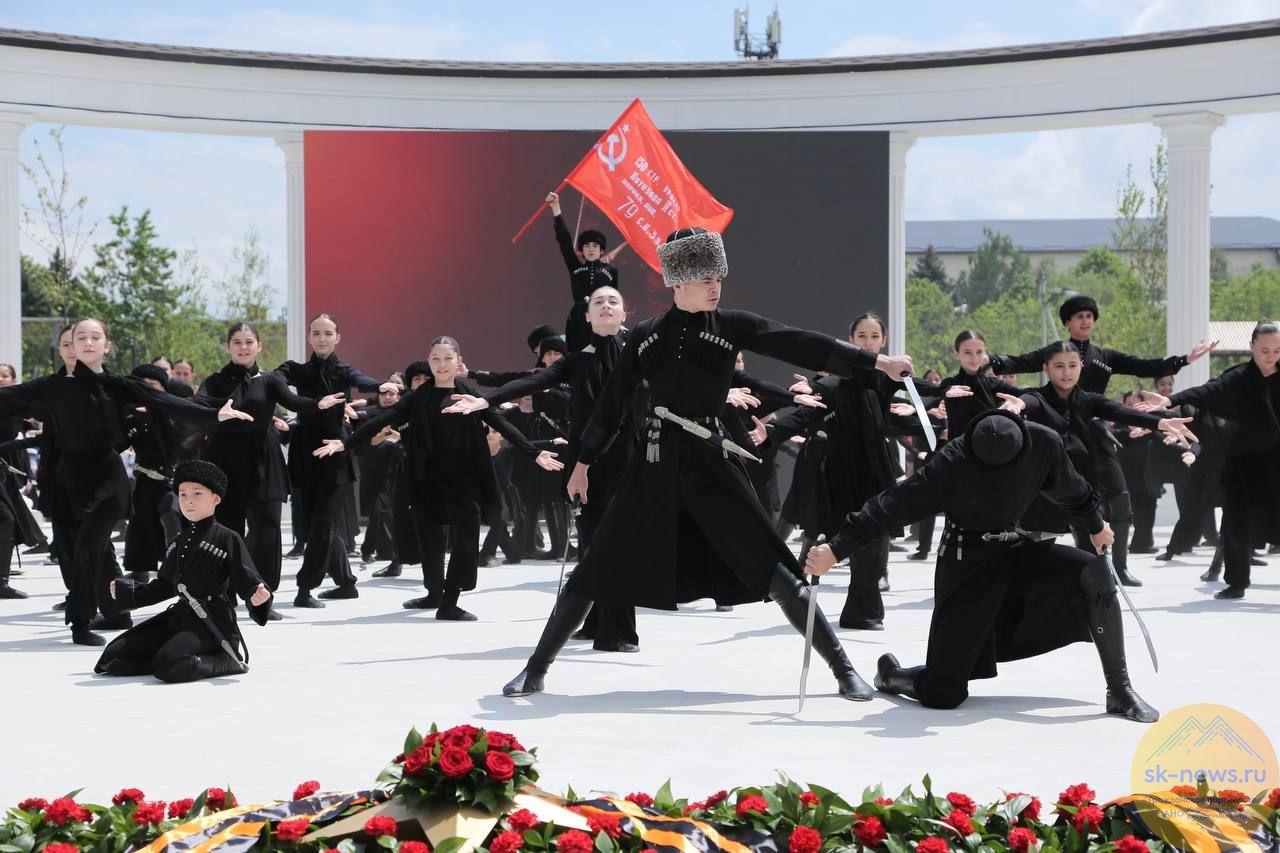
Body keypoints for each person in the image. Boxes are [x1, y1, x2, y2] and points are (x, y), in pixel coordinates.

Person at [499, 227, 913, 701]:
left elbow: (803, 343)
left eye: (719, 277)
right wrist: (582, 464)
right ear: (678, 281)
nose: (716, 286)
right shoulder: (645, 337)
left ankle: (843, 670)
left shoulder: (732, 325)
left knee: (776, 569)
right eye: (705, 279)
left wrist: (878, 363)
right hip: (654, 464)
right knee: (594, 567)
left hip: (712, 462)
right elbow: (612, 406)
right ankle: (535, 669)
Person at [804, 409, 1159, 723]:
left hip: (1016, 550)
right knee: (944, 694)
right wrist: (836, 549)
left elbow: (1074, 489)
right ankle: (893, 675)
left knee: (1094, 572)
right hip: (966, 564)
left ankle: (1119, 690)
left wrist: (1096, 524)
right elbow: (891, 505)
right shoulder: (950, 461)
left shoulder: (1044, 442)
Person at [0, 319, 252, 645]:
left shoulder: (118, 385)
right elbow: (8, 396)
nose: (87, 342)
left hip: (108, 477)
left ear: (106, 345)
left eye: (95, 337)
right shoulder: (52, 386)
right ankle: (111, 610)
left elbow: (165, 400)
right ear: (71, 346)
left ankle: (79, 623)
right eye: (80, 337)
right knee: (82, 549)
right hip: (70, 478)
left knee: (89, 545)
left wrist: (214, 413)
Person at [447, 285, 645, 651]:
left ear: (624, 313)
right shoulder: (575, 361)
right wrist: (486, 401)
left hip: (626, 460)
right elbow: (532, 380)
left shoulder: (639, 353)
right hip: (583, 462)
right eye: (598, 302)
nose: (605, 306)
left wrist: (718, 393)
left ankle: (620, 631)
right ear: (587, 316)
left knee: (617, 544)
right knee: (591, 542)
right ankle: (594, 622)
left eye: (612, 301)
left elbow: (674, 381)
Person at [316, 336, 563, 620]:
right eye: (436, 359)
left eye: (448, 358)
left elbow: (500, 423)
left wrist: (534, 453)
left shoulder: (468, 395)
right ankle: (434, 593)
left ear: (459, 361)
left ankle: (450, 601)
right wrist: (345, 443)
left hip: (465, 478)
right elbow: (383, 418)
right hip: (427, 477)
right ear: (429, 361)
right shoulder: (418, 397)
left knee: (467, 537)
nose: (442, 364)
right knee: (430, 538)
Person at [757, 312, 926, 630]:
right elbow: (807, 411)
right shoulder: (835, 383)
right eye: (862, 336)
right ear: (851, 341)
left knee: (873, 539)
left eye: (874, 336)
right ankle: (793, 585)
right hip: (841, 474)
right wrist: (775, 430)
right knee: (828, 535)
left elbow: (906, 403)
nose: (868, 342)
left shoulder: (884, 381)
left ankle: (863, 611)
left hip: (875, 473)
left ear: (884, 340)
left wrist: (937, 406)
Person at [1018, 342, 1196, 587]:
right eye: (1059, 366)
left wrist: (1161, 423)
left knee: (1094, 551)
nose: (1066, 372)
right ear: (1046, 368)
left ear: (1081, 367)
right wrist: (1017, 405)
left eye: (1072, 365)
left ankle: (1109, 579)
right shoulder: (1037, 397)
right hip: (1046, 486)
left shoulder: (1089, 400)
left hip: (1082, 487)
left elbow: (1120, 411)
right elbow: (1027, 400)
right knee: (1035, 558)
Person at [199, 322, 344, 615]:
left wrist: (319, 403)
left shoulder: (269, 381)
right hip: (225, 460)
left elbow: (294, 401)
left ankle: (263, 596)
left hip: (264, 460)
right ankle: (225, 596)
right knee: (227, 529)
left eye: (249, 341)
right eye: (237, 342)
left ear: (259, 346)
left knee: (267, 528)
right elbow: (197, 403)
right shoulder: (215, 381)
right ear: (227, 347)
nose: (243, 347)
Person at [95, 460, 272, 682]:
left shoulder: (228, 538)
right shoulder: (179, 541)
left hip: (211, 621)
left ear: (215, 499)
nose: (188, 500)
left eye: (197, 493)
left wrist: (257, 597)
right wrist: (128, 592)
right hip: (179, 617)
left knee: (170, 664)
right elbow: (164, 586)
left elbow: (248, 580)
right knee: (113, 656)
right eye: (182, 494)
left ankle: (226, 660)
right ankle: (165, 657)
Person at [1140, 320, 1280, 599]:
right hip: (1243, 461)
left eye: (1277, 351)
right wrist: (1170, 400)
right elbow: (1206, 392)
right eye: (1265, 350)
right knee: (1235, 522)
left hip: (1277, 461)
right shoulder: (1238, 378)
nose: (1270, 356)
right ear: (1252, 346)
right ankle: (1236, 582)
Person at [275, 313, 382, 607]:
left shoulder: (344, 371)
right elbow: (277, 380)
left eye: (327, 333)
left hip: (334, 452)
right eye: (316, 333)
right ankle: (346, 583)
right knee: (318, 524)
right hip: (305, 454)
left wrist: (381, 386)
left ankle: (304, 589)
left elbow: (361, 380)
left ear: (337, 337)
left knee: (323, 523)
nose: (322, 338)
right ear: (309, 337)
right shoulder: (297, 370)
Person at [987, 294, 1217, 395]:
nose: (1085, 321)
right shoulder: (1055, 352)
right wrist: (991, 361)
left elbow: (1144, 367)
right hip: (1059, 419)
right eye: (1079, 316)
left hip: (1094, 419)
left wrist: (1185, 360)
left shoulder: (1106, 357)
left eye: (1089, 316)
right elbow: (1022, 362)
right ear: (1067, 323)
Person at [545, 191, 624, 352]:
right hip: (578, 319)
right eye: (587, 246)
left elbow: (615, 299)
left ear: (602, 250)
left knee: (603, 355)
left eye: (595, 246)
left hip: (602, 318)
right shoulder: (576, 267)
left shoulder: (611, 270)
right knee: (578, 356)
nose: (591, 249)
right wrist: (556, 208)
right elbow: (564, 241)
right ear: (582, 250)